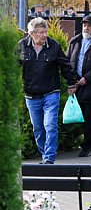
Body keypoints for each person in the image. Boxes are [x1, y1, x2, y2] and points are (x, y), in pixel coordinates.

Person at [20, 18, 79, 164]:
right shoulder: (21, 46)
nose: (44, 35)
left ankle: (49, 158)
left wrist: (72, 83)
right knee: (38, 129)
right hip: (31, 94)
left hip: (51, 92)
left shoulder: (54, 46)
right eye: (41, 32)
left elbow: (65, 65)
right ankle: (44, 154)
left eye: (45, 31)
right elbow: (13, 68)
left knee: (50, 125)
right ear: (32, 33)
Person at [67, 15, 91, 157]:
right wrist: (72, 81)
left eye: (89, 25)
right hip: (77, 84)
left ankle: (87, 146)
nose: (86, 27)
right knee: (81, 117)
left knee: (88, 116)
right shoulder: (75, 41)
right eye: (84, 24)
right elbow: (69, 62)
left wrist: (87, 78)